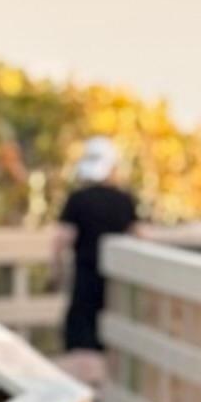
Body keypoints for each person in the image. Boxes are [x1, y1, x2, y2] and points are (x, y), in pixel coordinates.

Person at [53, 136, 140, 365]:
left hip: (85, 278)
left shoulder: (77, 199)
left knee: (82, 339)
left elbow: (61, 239)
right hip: (116, 282)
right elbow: (137, 236)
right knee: (113, 339)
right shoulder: (125, 200)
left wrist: (57, 272)